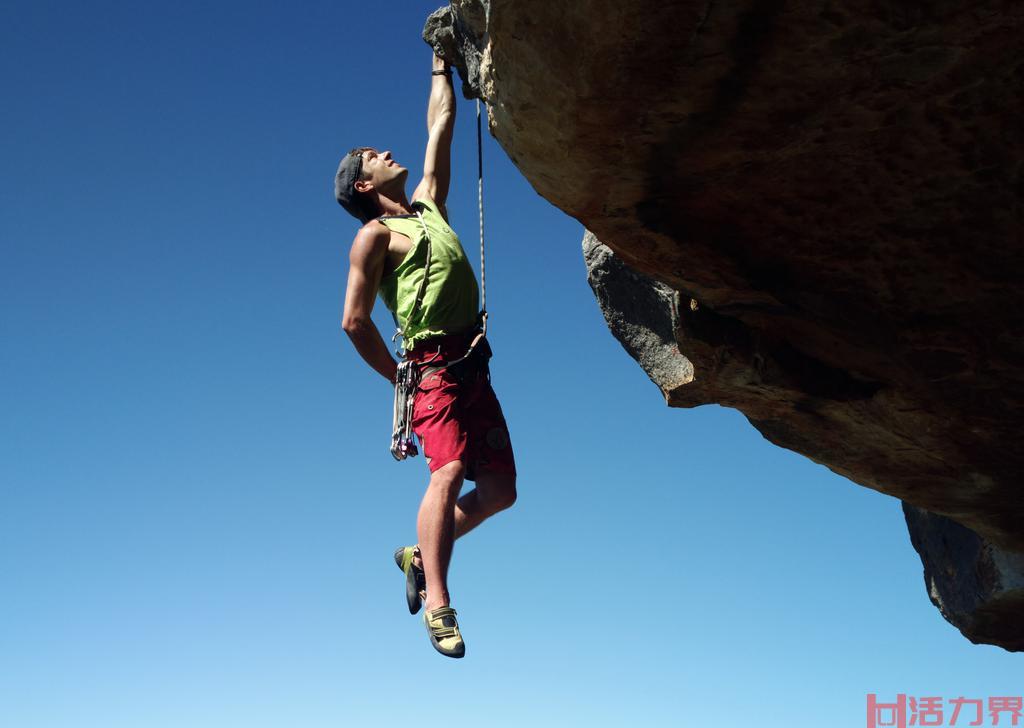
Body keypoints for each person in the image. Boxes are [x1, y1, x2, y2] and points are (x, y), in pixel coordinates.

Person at [334, 53, 517, 659]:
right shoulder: (375, 237)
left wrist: (441, 67)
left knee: (500, 491)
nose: (387, 153)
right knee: (448, 470)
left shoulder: (428, 207)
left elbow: (440, 127)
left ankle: (418, 552)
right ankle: (438, 603)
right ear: (364, 185)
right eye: (374, 157)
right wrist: (399, 380)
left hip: (473, 365)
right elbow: (354, 322)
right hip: (431, 368)